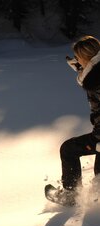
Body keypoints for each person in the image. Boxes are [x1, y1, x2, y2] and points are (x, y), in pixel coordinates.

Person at [59, 35, 100, 201]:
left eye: (78, 57)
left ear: (86, 58)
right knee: (98, 181)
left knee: (69, 149)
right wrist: (81, 69)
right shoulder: (96, 74)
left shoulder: (97, 81)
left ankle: (71, 197)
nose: (76, 60)